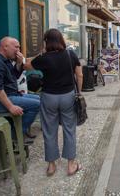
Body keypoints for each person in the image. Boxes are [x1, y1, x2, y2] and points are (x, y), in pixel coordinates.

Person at [25, 29, 83, 176]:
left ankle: (51, 165)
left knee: (49, 130)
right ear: (61, 39)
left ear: (46, 42)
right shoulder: (70, 54)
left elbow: (27, 65)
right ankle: (71, 165)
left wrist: (42, 52)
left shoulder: (44, 58)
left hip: (49, 96)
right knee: (69, 129)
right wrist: (79, 92)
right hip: (68, 96)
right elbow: (80, 74)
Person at [0, 37, 40, 142]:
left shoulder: (6, 60)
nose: (18, 50)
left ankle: (17, 133)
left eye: (19, 47)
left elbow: (14, 77)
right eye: (16, 47)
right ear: (5, 47)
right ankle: (14, 137)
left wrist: (18, 63)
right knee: (36, 104)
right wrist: (11, 107)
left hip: (11, 94)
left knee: (39, 99)